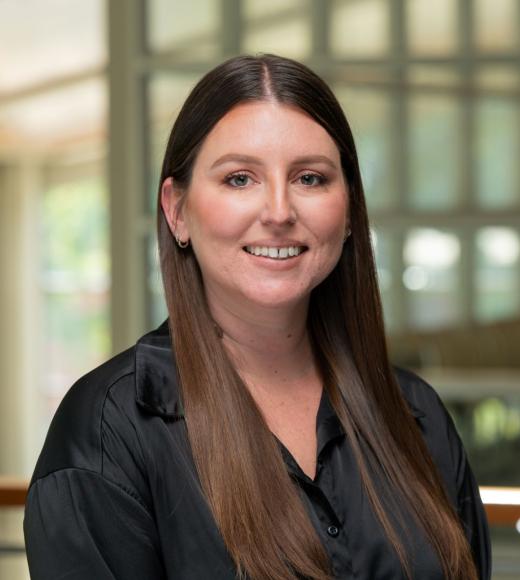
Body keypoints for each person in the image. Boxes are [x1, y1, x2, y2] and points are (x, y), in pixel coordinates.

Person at [23, 54, 491, 580]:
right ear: (177, 210)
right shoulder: (111, 432)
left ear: (350, 212)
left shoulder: (414, 416)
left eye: (310, 178)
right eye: (240, 178)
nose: (278, 211)